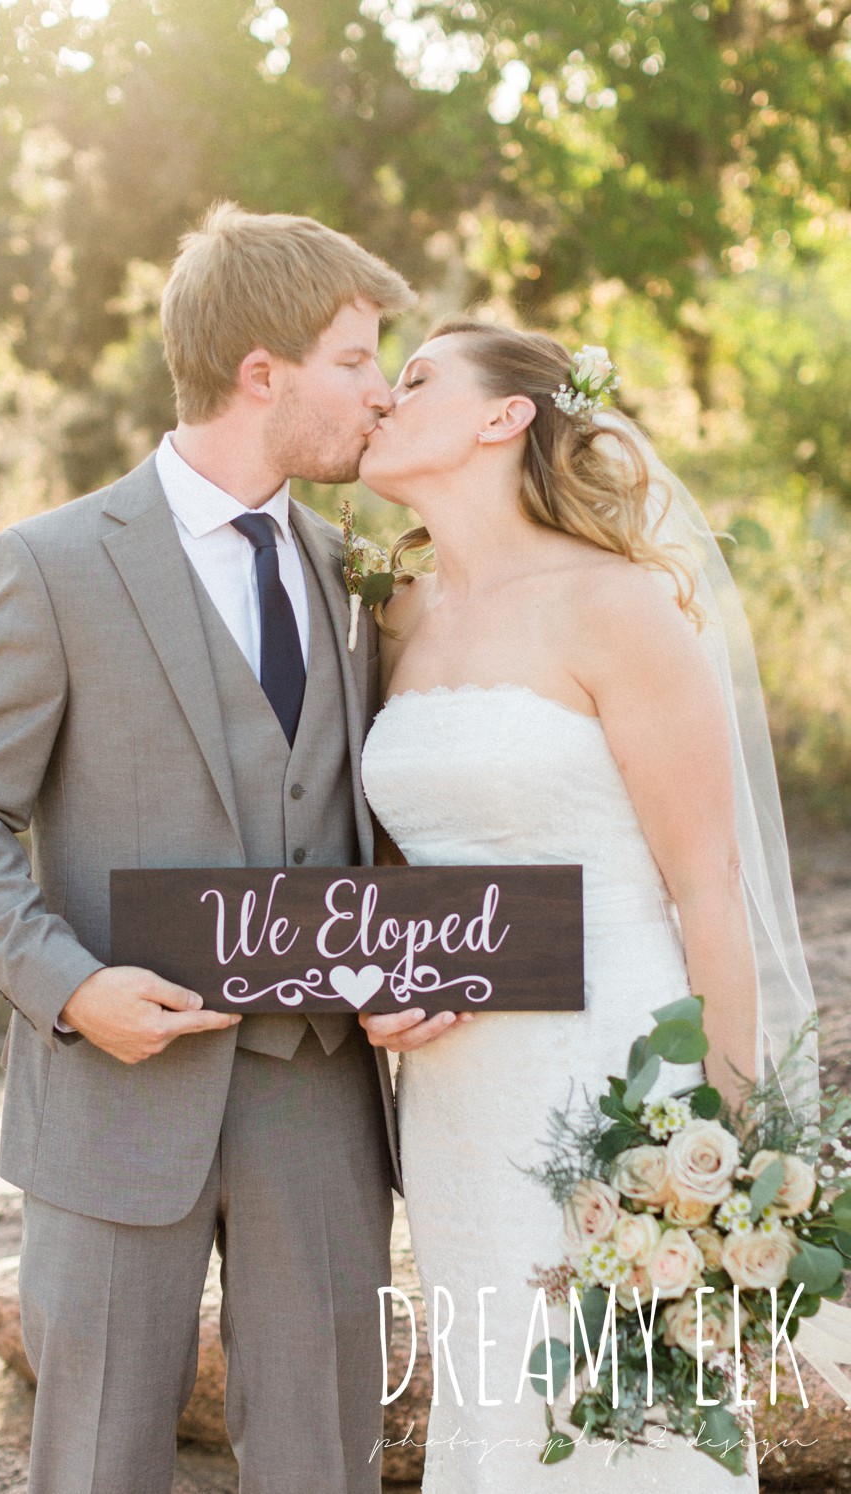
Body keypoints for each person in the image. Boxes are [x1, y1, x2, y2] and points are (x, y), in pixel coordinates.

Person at [0, 201, 414, 1494]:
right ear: (264, 370)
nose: (380, 394)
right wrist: (68, 986)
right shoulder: (54, 563)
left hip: (321, 1092)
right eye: (356, 360)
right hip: (118, 1096)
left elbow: (381, 817)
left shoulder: (356, 568)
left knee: (326, 1461)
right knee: (96, 1463)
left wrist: (421, 955)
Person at [355, 321, 823, 1488]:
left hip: (614, 1070)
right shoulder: (393, 611)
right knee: (499, 1403)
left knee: (617, 1415)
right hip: (455, 1092)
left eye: (413, 380)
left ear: (502, 417)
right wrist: (383, 982)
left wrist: (721, 1145)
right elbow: (403, 872)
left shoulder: (616, 605)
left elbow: (704, 887)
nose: (380, 398)